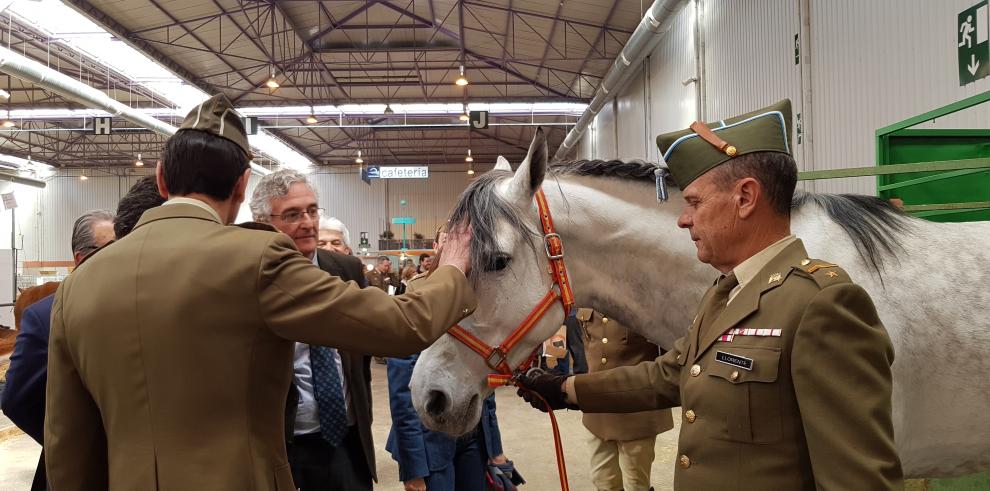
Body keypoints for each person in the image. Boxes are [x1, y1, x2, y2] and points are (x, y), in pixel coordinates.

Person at [43, 93, 477, 491]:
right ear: (241, 185)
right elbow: (400, 325)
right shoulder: (256, 258)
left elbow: (67, 442)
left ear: (161, 179)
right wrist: (454, 268)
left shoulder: (79, 286)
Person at [518, 100, 903, 490]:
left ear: (745, 198)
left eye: (695, 202)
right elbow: (669, 375)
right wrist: (567, 389)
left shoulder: (822, 306)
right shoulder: (725, 293)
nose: (684, 219)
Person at [249, 170, 377, 491]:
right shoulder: (250, 278)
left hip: (346, 438)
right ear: (264, 221)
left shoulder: (345, 269)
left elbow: (360, 357)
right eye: (293, 214)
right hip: (286, 443)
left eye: (312, 210)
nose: (307, 222)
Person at [386, 231, 520, 491]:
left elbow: (483, 385)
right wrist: (413, 470)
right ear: (436, 247)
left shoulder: (476, 299)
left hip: (472, 435)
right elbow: (403, 395)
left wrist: (495, 447)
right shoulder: (413, 299)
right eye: (448, 241)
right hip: (430, 442)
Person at [2, 209, 115, 491]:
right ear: (81, 258)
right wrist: (67, 440)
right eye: (111, 248)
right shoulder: (45, 315)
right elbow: (17, 398)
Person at [576, 308, 672, 491]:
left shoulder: (644, 301)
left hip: (636, 412)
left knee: (636, 483)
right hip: (598, 410)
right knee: (602, 480)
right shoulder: (588, 300)